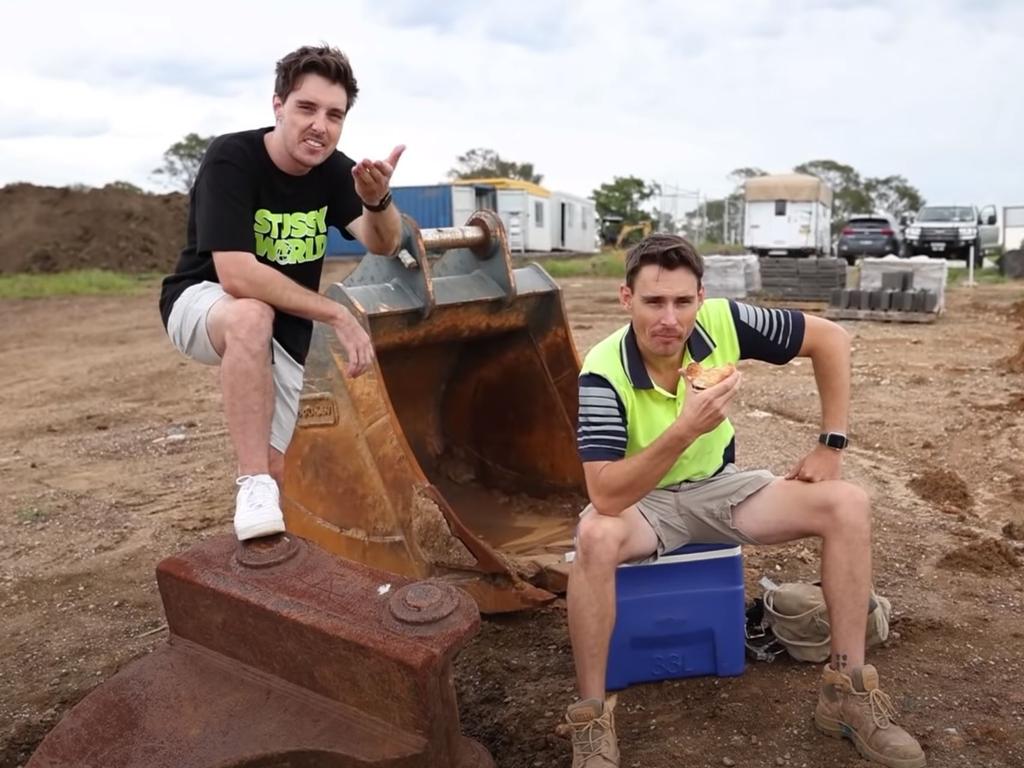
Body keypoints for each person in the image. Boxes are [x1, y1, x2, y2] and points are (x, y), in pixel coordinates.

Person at [564, 234, 924, 768]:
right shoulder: (603, 371)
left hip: (719, 487)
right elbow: (606, 492)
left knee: (847, 503)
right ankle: (592, 719)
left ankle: (846, 690)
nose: (670, 319)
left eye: (683, 302)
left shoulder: (723, 321)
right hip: (646, 504)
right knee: (593, 534)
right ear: (625, 299)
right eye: (653, 302)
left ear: (700, 298)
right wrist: (684, 428)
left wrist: (831, 441)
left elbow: (831, 339)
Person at [158, 44, 404, 541]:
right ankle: (249, 482)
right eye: (306, 108)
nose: (321, 125)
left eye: (334, 115)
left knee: (276, 469)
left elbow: (384, 243)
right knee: (250, 314)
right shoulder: (233, 158)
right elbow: (237, 277)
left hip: (284, 327)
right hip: (201, 302)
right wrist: (335, 315)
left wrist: (378, 201)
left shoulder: (338, 172)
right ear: (278, 106)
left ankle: (264, 558)